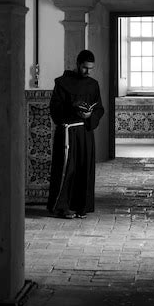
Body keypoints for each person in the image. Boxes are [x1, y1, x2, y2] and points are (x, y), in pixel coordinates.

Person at [47, 49, 104, 219]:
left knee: (83, 169)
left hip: (85, 132)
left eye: (91, 69)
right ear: (78, 64)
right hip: (67, 132)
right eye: (85, 68)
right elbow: (54, 109)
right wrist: (73, 108)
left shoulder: (93, 85)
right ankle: (61, 207)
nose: (88, 72)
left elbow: (99, 108)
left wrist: (89, 115)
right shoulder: (62, 83)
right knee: (67, 170)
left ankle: (81, 207)